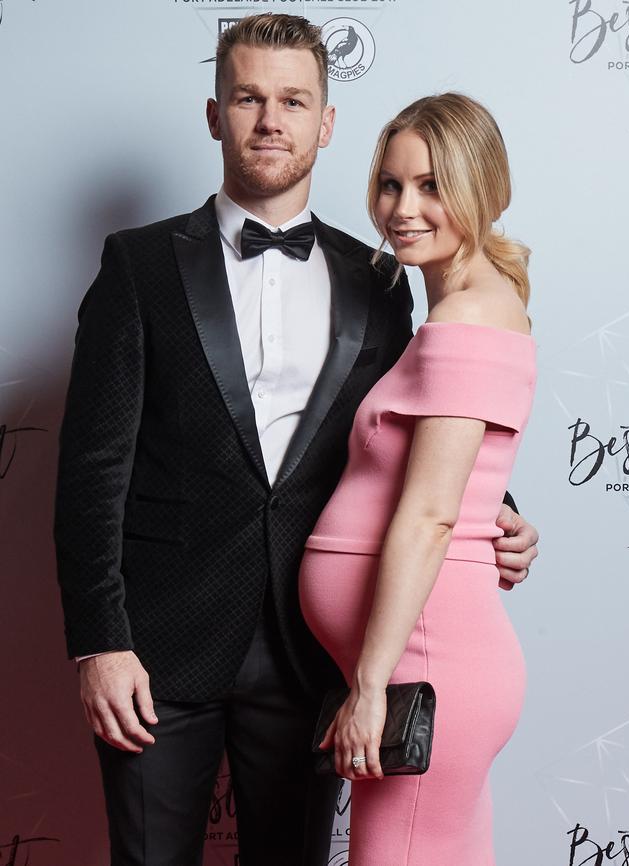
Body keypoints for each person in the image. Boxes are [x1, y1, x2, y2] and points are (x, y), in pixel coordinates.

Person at [53, 14, 538, 866]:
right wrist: (101, 641)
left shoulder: (382, 280)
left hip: (313, 654)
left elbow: (415, 429)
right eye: (248, 97)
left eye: (292, 100)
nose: (270, 119)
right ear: (215, 114)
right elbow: (92, 470)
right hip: (158, 650)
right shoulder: (138, 266)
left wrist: (498, 509)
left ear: (326, 123)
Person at [299, 92, 536, 866]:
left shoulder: (469, 318)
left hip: (423, 669)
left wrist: (370, 686)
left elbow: (432, 513)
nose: (403, 208)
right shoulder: (463, 311)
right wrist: (506, 517)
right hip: (430, 661)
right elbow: (459, 477)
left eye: (432, 186)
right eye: (391, 184)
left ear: (484, 191)